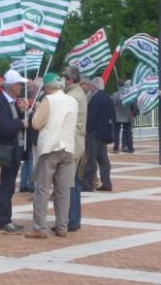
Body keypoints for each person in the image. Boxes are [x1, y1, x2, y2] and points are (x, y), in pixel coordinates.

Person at [24, 73, 77, 239]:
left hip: (50, 148)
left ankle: (40, 227)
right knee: (63, 190)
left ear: (47, 87)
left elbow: (36, 123)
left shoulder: (49, 100)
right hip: (68, 148)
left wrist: (34, 112)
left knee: (43, 189)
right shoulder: (72, 100)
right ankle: (62, 225)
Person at [0, 69, 28, 235]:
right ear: (11, 86)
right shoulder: (0, 103)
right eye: (19, 84)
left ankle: (7, 219)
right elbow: (5, 127)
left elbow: (12, 120)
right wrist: (21, 123)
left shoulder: (10, 102)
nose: (21, 87)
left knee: (9, 186)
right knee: (6, 186)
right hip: (7, 150)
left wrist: (21, 111)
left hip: (14, 150)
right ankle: (3, 221)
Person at [62, 67, 87, 232]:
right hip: (76, 142)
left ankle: (72, 219)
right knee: (74, 183)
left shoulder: (73, 96)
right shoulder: (77, 94)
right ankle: (74, 218)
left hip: (72, 144)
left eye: (64, 79)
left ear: (70, 80)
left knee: (70, 184)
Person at [81, 77, 114, 192]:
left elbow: (91, 116)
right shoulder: (108, 97)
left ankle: (87, 184)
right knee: (103, 159)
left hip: (94, 132)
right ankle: (107, 183)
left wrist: (87, 130)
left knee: (91, 159)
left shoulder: (95, 98)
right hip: (104, 132)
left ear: (94, 86)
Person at [112, 79, 132, 153]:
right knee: (126, 131)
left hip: (118, 115)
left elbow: (113, 105)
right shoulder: (128, 93)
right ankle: (126, 146)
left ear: (117, 85)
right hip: (127, 114)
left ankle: (116, 148)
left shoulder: (115, 94)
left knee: (116, 131)